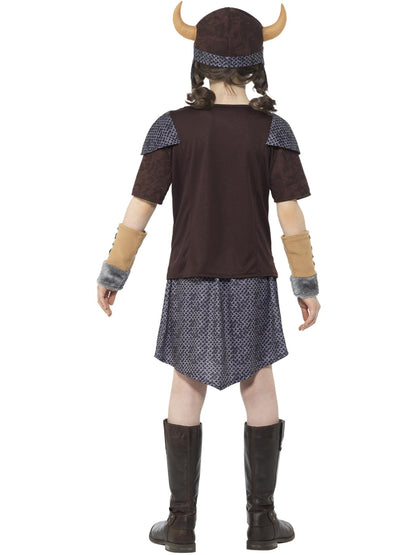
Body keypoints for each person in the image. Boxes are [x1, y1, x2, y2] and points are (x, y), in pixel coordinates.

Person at [97, 3, 321, 552]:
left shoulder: (171, 128)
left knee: (186, 383)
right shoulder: (274, 131)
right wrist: (307, 285)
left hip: (190, 278)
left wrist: (114, 273)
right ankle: (262, 523)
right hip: (253, 278)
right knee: (259, 383)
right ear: (256, 66)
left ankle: (180, 525)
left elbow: (139, 210)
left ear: (199, 63)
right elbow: (291, 218)